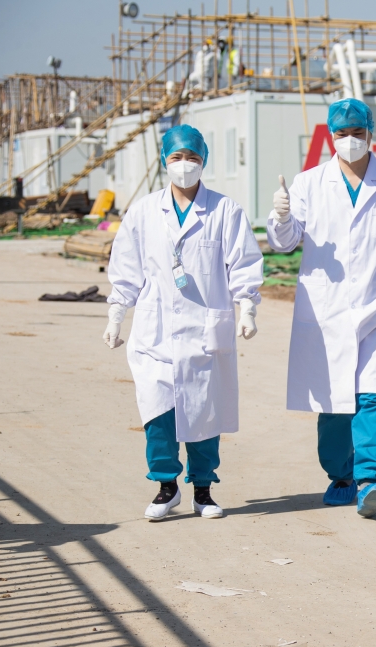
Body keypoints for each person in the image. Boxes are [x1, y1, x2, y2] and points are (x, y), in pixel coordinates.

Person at [267, 98, 376, 518]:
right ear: (330, 136)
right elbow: (284, 243)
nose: (350, 140)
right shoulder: (308, 184)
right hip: (327, 309)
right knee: (334, 400)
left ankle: (372, 479)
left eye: (358, 133)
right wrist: (281, 217)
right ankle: (341, 474)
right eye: (342, 133)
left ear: (371, 134)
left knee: (373, 395)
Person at [104, 125, 264, 521]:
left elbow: (243, 263)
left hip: (203, 331)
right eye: (176, 157)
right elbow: (125, 268)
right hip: (153, 332)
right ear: (164, 161)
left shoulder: (225, 210)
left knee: (204, 414)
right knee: (158, 414)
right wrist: (115, 314)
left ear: (203, 160)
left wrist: (248, 308)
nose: (184, 165)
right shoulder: (143, 212)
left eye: (191, 157)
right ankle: (166, 487)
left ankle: (204, 490)